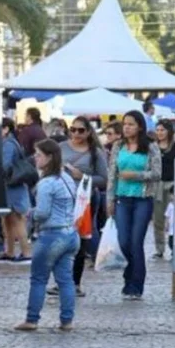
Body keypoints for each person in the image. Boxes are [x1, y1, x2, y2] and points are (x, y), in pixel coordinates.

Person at [16, 140, 80, 332]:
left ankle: (32, 319)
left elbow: (43, 213)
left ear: (50, 157)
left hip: (52, 235)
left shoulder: (46, 183)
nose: (35, 158)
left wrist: (30, 214)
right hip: (70, 234)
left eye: (39, 155)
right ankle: (67, 321)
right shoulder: (67, 178)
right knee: (66, 280)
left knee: (38, 279)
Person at [107, 110, 161, 300]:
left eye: (131, 124)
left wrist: (136, 175)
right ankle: (128, 276)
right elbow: (112, 174)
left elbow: (157, 173)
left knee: (136, 242)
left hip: (142, 199)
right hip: (122, 198)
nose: (127, 128)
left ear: (139, 127)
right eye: (125, 124)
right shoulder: (118, 146)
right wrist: (109, 199)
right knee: (123, 241)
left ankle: (135, 285)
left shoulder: (151, 147)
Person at [50, 117, 107, 297]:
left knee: (79, 242)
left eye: (81, 130)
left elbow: (104, 179)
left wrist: (82, 176)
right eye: (73, 129)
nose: (76, 133)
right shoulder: (61, 148)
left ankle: (75, 283)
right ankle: (60, 281)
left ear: (88, 132)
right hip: (62, 199)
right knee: (60, 240)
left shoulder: (96, 153)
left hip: (84, 201)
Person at [0, 117, 32, 263]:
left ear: (6, 129)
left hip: (13, 187)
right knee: (8, 219)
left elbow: (5, 165)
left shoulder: (8, 144)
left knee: (16, 219)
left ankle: (26, 253)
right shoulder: (12, 142)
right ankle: (10, 252)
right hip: (12, 186)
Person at [152, 119, 175, 260]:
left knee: (174, 218)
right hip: (157, 185)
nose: (160, 133)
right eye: (157, 130)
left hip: (173, 185)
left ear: (169, 131)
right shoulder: (153, 148)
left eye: (162, 130)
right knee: (158, 219)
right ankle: (159, 249)